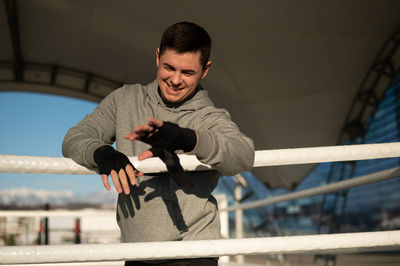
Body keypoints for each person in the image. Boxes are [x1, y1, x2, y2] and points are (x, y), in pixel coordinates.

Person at [62, 21, 254, 265]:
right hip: (138, 252)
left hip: (195, 251)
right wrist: (102, 154)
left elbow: (243, 154)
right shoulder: (124, 100)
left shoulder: (208, 117)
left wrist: (189, 138)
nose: (175, 80)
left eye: (187, 72)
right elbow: (74, 137)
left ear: (205, 70)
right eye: (169, 67)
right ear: (157, 57)